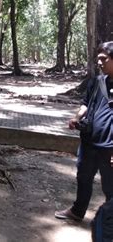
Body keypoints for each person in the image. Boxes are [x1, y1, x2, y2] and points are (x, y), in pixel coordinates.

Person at [55, 41, 113, 222]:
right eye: (98, 59)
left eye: (104, 59)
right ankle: (77, 211)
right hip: (89, 142)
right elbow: (85, 104)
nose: (100, 63)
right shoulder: (95, 82)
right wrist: (77, 118)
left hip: (109, 147)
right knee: (83, 178)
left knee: (110, 186)